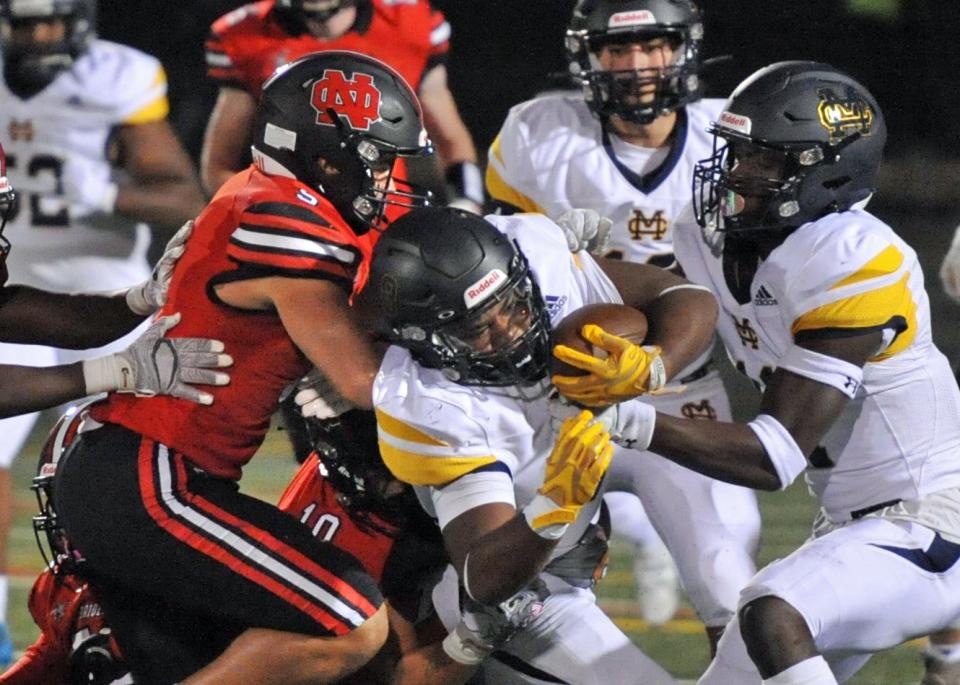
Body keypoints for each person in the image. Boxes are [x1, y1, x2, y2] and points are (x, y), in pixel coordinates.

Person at [553, 61, 960, 684]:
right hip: (853, 525)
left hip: (931, 519)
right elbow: (655, 289)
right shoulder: (719, 238)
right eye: (737, 152)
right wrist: (560, 262)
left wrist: (625, 418)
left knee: (775, 610)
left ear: (827, 171)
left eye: (764, 162)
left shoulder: (856, 259)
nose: (737, 174)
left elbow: (771, 457)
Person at [52, 51, 435, 685]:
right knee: (349, 618)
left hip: (146, 472)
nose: (388, 175)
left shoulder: (263, 192)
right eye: (376, 156)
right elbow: (364, 382)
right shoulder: (285, 221)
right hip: (152, 479)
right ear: (324, 155)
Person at [485, 0, 760, 646]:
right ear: (588, 57)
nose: (636, 65)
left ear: (684, 49)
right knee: (489, 551)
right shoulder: (538, 136)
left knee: (729, 565)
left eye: (654, 45)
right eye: (617, 48)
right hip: (561, 394)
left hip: (681, 388)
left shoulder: (732, 137)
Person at [361, 205, 720, 684]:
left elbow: (684, 295)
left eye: (513, 305)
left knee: (724, 539)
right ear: (427, 342)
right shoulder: (428, 403)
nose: (510, 329)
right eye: (477, 329)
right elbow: (483, 578)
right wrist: (553, 505)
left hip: (578, 538)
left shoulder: (536, 257)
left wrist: (655, 365)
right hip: (524, 596)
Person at [0, 0, 208, 657]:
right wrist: (110, 368)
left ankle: (154, 618)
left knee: (152, 469)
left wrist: (112, 199)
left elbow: (185, 195)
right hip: (26, 299)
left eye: (49, 21)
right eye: (23, 21)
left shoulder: (117, 77)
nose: (37, 36)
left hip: (72, 290)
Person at [202, 0, 482, 211]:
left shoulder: (410, 23)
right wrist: (269, 211)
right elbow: (218, 167)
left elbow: (450, 139)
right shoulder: (244, 36)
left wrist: (467, 204)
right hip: (293, 210)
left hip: (384, 209)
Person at [0, 399, 130, 685]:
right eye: (56, 499)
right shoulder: (66, 585)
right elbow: (49, 658)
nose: (62, 515)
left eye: (74, 499)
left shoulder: (180, 580)